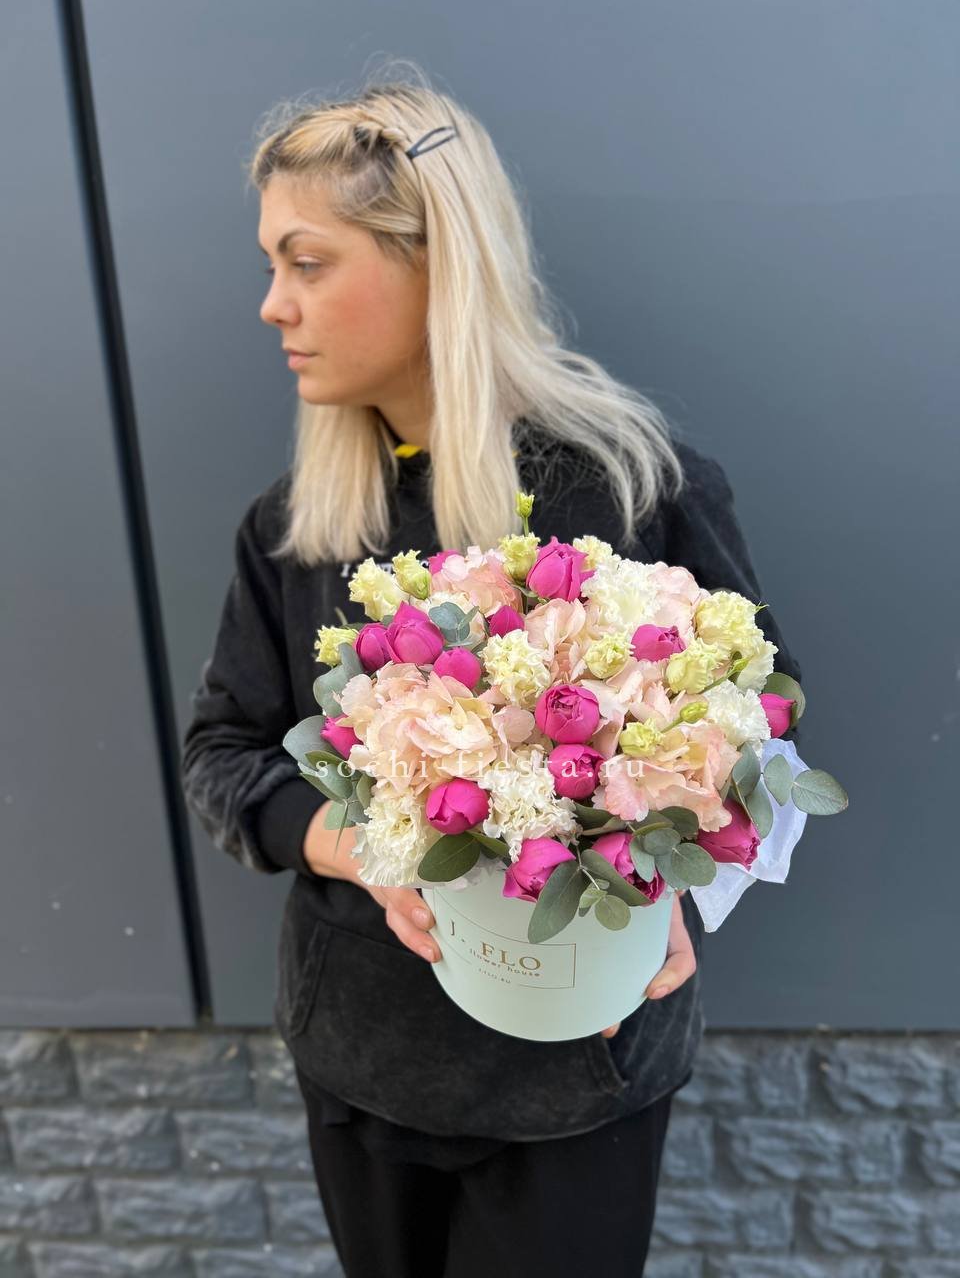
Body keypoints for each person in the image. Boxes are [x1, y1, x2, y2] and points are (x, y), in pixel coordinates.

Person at [180, 63, 803, 1278]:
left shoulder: (634, 486)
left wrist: (683, 883)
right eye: (273, 265)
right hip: (364, 1057)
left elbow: (768, 729)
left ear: (435, 263)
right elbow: (224, 755)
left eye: (306, 262)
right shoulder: (295, 528)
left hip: (585, 1064)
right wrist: (365, 846)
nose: (272, 305)